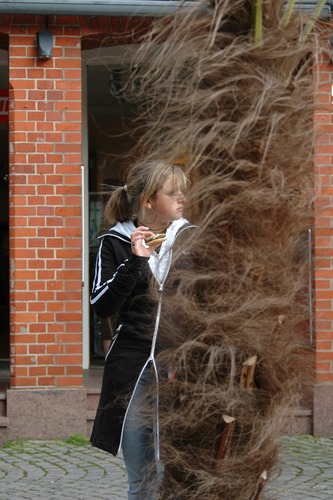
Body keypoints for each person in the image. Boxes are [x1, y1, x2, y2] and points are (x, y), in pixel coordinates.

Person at [90, 160, 195, 499]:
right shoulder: (115, 241)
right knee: (141, 478)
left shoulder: (191, 240)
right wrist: (135, 260)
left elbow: (207, 303)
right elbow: (101, 305)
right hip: (132, 366)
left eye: (183, 193)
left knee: (173, 472)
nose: (181, 199)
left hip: (178, 365)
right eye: (172, 193)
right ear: (149, 200)